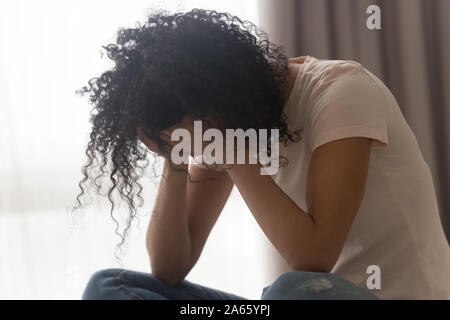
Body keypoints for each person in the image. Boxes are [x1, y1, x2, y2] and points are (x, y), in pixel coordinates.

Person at [76, 8, 450, 300]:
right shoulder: (222, 124)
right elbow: (169, 269)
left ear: (224, 97)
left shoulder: (341, 92)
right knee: (110, 288)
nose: (201, 143)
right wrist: (174, 160)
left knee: (289, 290)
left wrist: (232, 151)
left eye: (200, 130)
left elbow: (314, 258)